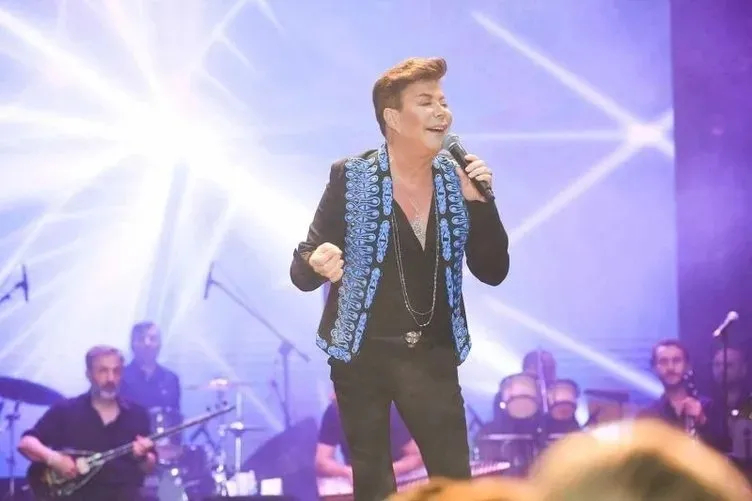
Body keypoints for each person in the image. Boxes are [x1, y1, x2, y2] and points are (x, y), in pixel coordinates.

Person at [290, 57, 510, 500]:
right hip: (361, 355)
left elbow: (493, 271)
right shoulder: (351, 176)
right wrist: (318, 263)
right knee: (374, 485)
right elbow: (302, 267)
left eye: (444, 102)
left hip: (432, 353)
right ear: (392, 117)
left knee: (454, 482)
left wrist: (480, 205)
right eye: (426, 102)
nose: (442, 112)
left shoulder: (458, 178)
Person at [18, 345, 156, 501]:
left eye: (116, 371)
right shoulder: (66, 410)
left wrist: (142, 457)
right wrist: (54, 459)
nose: (111, 379)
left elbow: (149, 468)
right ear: (89, 374)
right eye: (103, 371)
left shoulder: (137, 414)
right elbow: (26, 443)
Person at [637, 339, 723, 448]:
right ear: (654, 368)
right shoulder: (648, 415)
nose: (670, 367)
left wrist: (702, 420)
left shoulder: (709, 406)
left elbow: (722, 450)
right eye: (663, 362)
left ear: (688, 366)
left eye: (676, 360)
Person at [316, 395, 423, 483]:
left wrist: (387, 472)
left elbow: (416, 456)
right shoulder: (334, 411)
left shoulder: (391, 411)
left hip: (396, 477)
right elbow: (321, 461)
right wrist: (347, 472)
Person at [120, 321, 182, 460]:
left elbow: (176, 418)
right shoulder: (120, 377)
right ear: (132, 344)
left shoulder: (171, 379)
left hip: (165, 451)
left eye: (152, 338)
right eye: (141, 339)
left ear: (159, 344)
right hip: (129, 452)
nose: (147, 343)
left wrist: (175, 448)